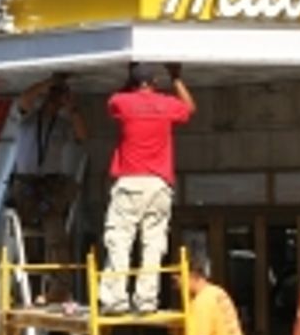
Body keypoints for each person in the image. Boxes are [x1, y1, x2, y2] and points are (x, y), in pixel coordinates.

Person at [99, 64, 194, 314]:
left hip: (130, 181)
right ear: (155, 82)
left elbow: (112, 103)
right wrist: (176, 78)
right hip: (159, 184)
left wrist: (128, 81)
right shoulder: (166, 104)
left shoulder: (123, 101)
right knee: (153, 243)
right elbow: (190, 109)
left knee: (120, 240)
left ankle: (116, 299)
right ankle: (147, 300)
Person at [11, 76, 87, 302]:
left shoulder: (62, 125)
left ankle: (59, 286)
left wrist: (72, 109)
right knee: (27, 240)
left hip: (48, 186)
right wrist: (46, 84)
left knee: (55, 233)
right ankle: (27, 287)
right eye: (53, 97)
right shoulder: (28, 121)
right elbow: (24, 100)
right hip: (26, 184)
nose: (55, 102)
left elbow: (82, 136)